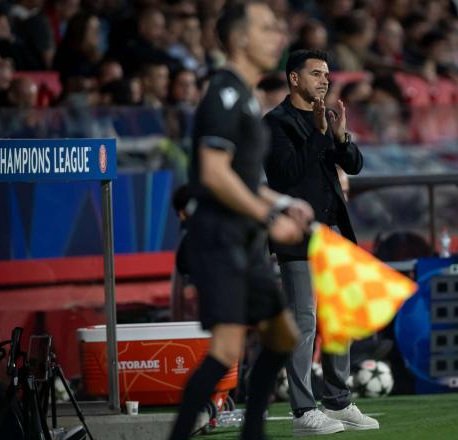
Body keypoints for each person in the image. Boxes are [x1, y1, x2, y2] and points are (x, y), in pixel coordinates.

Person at [167, 3, 314, 440]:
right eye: (267, 28)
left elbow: (245, 177)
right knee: (225, 352)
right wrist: (271, 216)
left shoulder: (248, 95)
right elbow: (214, 173)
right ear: (239, 38)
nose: (278, 36)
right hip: (220, 241)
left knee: (283, 336)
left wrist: (286, 200)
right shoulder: (224, 93)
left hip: (245, 241)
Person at [263, 49, 378, 435]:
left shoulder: (326, 118)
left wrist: (341, 136)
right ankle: (302, 411)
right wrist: (317, 133)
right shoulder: (275, 123)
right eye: (316, 73)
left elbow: (354, 165)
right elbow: (285, 175)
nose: (325, 80)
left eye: (327, 74)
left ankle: (339, 400)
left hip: (332, 233)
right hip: (297, 237)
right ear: (294, 79)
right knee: (304, 320)